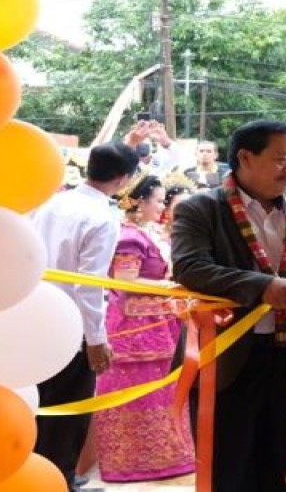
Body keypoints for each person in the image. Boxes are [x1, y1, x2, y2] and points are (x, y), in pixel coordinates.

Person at [171, 120, 286, 492]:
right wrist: (262, 287)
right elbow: (190, 266)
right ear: (244, 158)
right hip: (230, 359)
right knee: (229, 466)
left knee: (285, 463)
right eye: (281, 159)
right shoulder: (200, 209)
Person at [30, 141, 140, 492]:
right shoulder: (101, 217)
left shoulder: (52, 202)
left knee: (40, 406)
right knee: (67, 412)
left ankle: (39, 477)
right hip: (71, 327)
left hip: (36, 317)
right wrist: (97, 340)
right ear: (124, 179)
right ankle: (58, 480)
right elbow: (89, 287)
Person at [94, 175, 195, 483]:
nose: (162, 206)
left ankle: (165, 455)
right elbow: (126, 280)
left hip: (157, 321)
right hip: (134, 325)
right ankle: (132, 461)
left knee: (162, 389)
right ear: (139, 201)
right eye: (159, 200)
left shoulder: (143, 232)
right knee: (136, 392)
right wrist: (169, 286)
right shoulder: (129, 236)